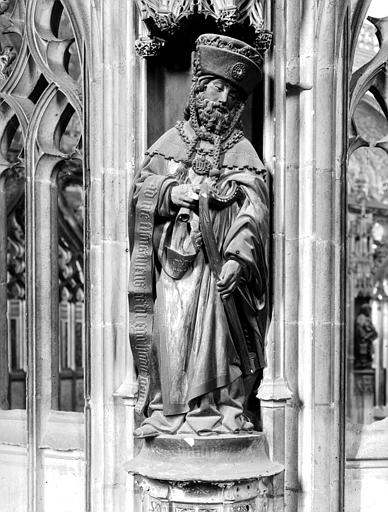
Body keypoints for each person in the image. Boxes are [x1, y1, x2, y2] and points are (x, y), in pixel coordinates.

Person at [129, 33, 269, 437]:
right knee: (169, 337)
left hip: (217, 270)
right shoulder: (170, 143)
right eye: (217, 87)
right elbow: (141, 191)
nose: (223, 99)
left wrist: (237, 261)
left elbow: (254, 212)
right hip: (174, 266)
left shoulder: (243, 152)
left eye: (232, 92)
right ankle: (168, 414)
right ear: (199, 88)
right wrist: (174, 192)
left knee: (219, 343)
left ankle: (219, 411)